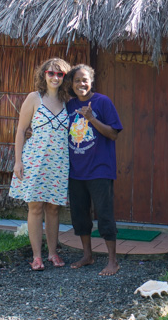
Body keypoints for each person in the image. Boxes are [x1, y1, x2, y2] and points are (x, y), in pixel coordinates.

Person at [10, 57, 72, 271]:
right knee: (35, 207)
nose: (55, 77)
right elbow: (20, 130)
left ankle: (53, 253)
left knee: (54, 208)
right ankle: (37, 257)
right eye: (51, 73)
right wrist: (18, 161)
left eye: (60, 74)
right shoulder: (34, 98)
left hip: (59, 162)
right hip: (35, 160)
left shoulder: (67, 102)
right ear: (44, 74)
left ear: (65, 78)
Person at [65, 64, 123, 276]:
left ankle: (112, 261)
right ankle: (87, 256)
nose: (81, 84)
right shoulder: (69, 106)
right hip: (76, 171)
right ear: (71, 84)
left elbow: (113, 134)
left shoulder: (103, 102)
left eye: (85, 80)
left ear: (91, 82)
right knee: (80, 217)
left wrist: (91, 118)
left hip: (100, 170)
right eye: (77, 80)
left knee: (105, 215)